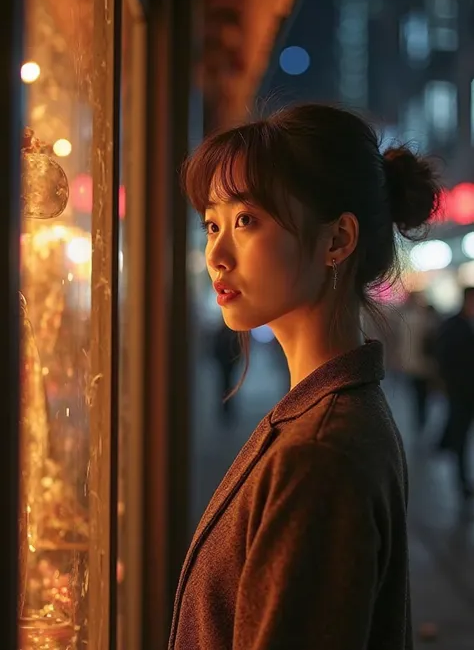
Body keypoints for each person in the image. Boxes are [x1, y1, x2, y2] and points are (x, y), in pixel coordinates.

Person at [169, 103, 441, 650]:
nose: (216, 254)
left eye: (247, 220)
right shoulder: (336, 412)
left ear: (338, 240)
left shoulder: (318, 452)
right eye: (211, 224)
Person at [436, 286, 474, 501]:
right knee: (460, 434)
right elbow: (444, 358)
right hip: (460, 391)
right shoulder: (453, 326)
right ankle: (461, 481)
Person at [398, 292, 440, 433]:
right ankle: (421, 423)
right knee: (422, 398)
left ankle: (418, 424)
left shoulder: (406, 319)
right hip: (423, 366)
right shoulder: (425, 320)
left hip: (410, 365)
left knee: (416, 398)